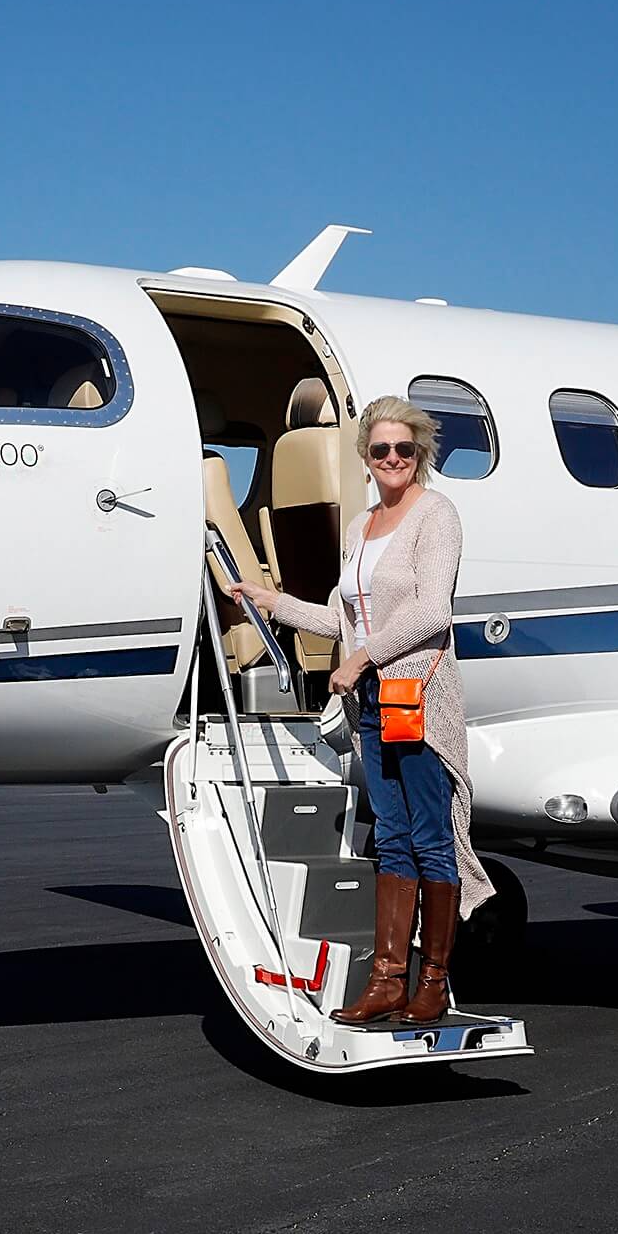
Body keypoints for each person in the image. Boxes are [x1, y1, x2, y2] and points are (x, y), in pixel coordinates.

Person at [233, 395, 488, 1025]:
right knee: (393, 837)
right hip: (375, 702)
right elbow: (336, 620)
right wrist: (269, 600)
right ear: (366, 459)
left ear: (420, 454)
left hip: (419, 695)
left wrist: (361, 660)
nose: (394, 458)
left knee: (431, 837)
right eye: (381, 450)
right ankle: (386, 981)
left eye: (406, 449)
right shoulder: (360, 528)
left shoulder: (437, 515)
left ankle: (432, 980)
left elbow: (433, 611)